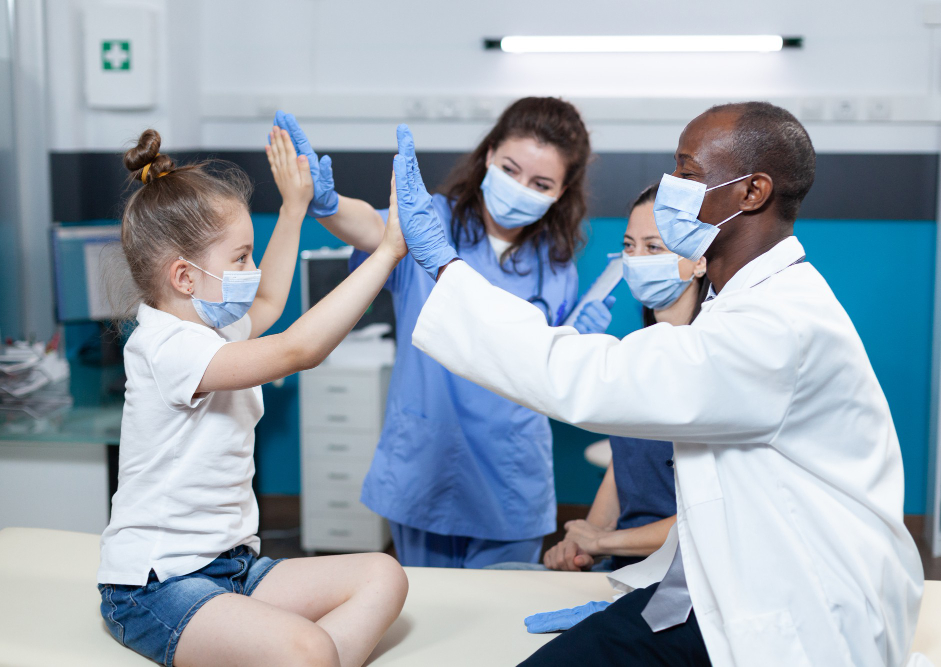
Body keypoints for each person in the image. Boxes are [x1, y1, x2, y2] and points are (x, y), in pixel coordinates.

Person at [390, 101, 924, 667]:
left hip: (802, 611)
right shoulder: (743, 304)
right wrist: (643, 598)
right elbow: (728, 494)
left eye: (688, 174)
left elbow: (597, 380)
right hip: (732, 584)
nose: (670, 188)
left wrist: (448, 272)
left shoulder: (777, 325)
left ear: (752, 192)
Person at [97, 127, 408, 667]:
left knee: (384, 575)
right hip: (156, 585)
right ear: (185, 277)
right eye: (240, 257)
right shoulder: (166, 347)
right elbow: (297, 350)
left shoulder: (210, 329)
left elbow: (265, 301)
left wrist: (293, 208)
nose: (251, 269)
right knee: (309, 649)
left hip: (231, 569)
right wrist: (387, 253)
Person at [275, 98, 614, 569]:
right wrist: (327, 204)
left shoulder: (555, 266)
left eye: (540, 183)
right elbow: (374, 227)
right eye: (511, 169)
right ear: (490, 155)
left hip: (509, 473)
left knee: (501, 618)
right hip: (426, 459)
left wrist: (572, 339)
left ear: (562, 191)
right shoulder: (431, 220)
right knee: (428, 611)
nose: (520, 189)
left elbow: (540, 365)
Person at [505, 183, 710, 573]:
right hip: (621, 564)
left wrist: (602, 541)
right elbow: (626, 463)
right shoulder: (637, 351)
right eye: (629, 246)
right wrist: (580, 544)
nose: (636, 259)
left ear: (699, 260)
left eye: (653, 247)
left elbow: (712, 520)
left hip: (682, 576)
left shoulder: (710, 361)